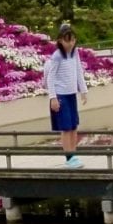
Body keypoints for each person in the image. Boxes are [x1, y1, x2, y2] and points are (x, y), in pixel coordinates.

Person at [43, 22, 87, 168]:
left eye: (73, 40)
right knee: (66, 127)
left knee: (74, 126)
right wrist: (53, 97)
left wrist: (83, 91)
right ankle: (69, 157)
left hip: (71, 94)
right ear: (61, 40)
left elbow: (79, 71)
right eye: (68, 40)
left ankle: (74, 154)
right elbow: (51, 77)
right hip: (61, 95)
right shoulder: (57, 56)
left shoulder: (75, 53)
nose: (71, 43)